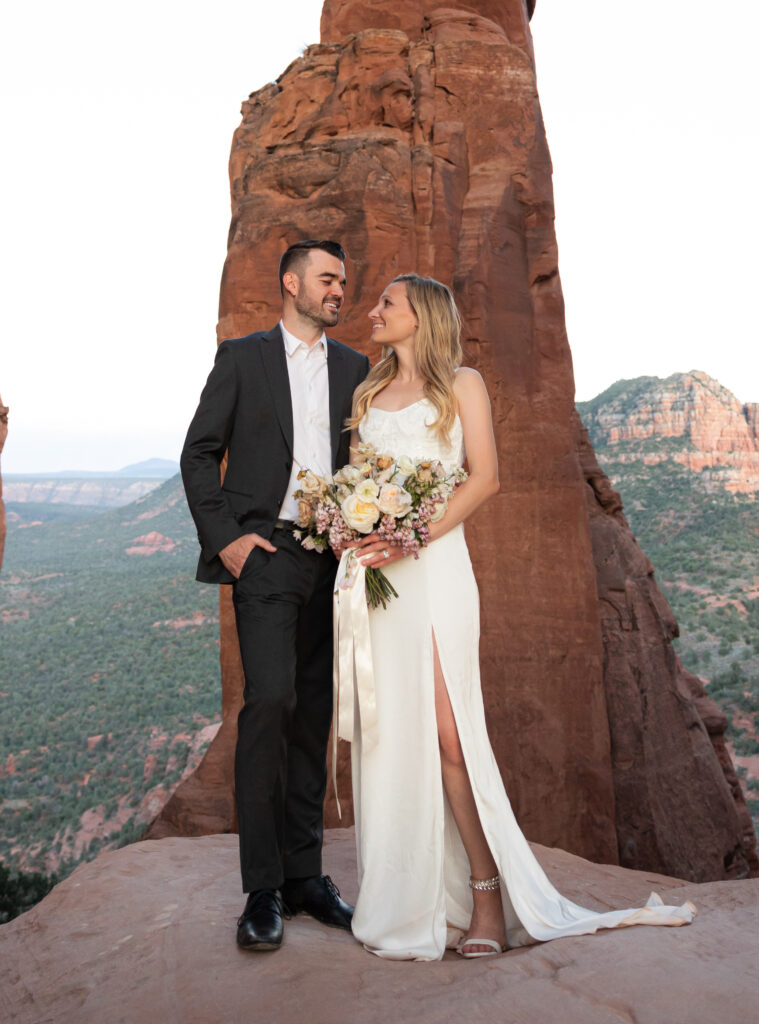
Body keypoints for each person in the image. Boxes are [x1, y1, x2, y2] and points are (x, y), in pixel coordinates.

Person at [342, 273, 696, 960]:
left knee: (449, 736)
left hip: (437, 571)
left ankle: (484, 893)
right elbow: (358, 483)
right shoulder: (366, 392)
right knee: (394, 734)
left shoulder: (461, 384)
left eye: (387, 302)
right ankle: (407, 897)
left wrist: (410, 536)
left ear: (421, 316)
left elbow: (485, 478)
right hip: (379, 579)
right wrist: (357, 528)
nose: (374, 311)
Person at [181, 240, 370, 952]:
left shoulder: (356, 368)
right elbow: (198, 451)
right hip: (265, 556)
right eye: (326, 279)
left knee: (312, 710)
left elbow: (367, 461)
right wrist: (226, 538)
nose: (338, 290)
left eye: (343, 282)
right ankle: (261, 889)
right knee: (268, 706)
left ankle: (305, 878)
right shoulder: (243, 357)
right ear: (290, 283)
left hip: (334, 561)